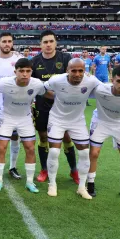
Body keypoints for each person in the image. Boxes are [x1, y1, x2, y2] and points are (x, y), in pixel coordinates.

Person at [45, 58, 100, 199]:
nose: (77, 74)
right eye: (73, 70)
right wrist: (56, 97)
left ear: (84, 71)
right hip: (57, 119)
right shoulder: (56, 80)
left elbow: (105, 91)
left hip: (77, 120)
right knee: (54, 151)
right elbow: (42, 90)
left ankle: (82, 187)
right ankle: (52, 184)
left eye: (80, 70)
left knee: (84, 153)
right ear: (67, 70)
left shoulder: (92, 81)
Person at [31, 30, 79, 184]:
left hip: (63, 106)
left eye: (51, 41)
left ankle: (74, 170)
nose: (48, 45)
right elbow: (34, 87)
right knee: (43, 136)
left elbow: (74, 78)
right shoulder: (34, 62)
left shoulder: (66, 58)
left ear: (56, 43)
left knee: (66, 136)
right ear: (40, 44)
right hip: (42, 105)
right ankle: (44, 169)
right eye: (45, 42)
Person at [0, 58, 46, 193]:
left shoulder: (37, 84)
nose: (24, 74)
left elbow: (49, 93)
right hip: (7, 117)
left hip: (25, 119)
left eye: (28, 71)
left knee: (30, 148)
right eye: (21, 71)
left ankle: (29, 182)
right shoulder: (4, 83)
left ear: (31, 72)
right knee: (2, 148)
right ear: (15, 71)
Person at [88, 65, 120, 201]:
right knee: (94, 153)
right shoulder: (100, 89)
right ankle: (90, 184)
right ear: (112, 79)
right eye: (119, 81)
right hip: (100, 121)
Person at [0, 32, 23, 180]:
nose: (7, 44)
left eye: (9, 41)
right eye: (4, 41)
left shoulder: (19, 59)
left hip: (15, 106)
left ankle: (13, 167)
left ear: (12, 44)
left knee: (15, 138)